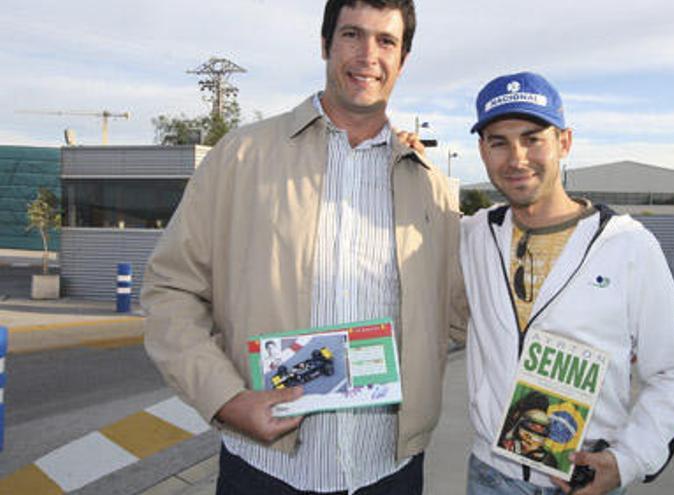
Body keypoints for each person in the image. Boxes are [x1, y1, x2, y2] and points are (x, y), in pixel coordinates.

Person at [141, 1, 462, 494]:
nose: (368, 55)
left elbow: (459, 315)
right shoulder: (241, 157)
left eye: (386, 41)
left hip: (391, 474)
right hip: (267, 471)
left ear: (403, 58)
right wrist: (226, 399)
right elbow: (170, 290)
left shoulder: (432, 189)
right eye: (352, 35)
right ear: (325, 44)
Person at [460, 72, 674, 495]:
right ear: (482, 151)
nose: (516, 157)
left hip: (580, 480)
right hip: (489, 476)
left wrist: (628, 460)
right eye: (498, 142)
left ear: (565, 142)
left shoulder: (627, 244)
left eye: (533, 138)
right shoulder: (474, 235)